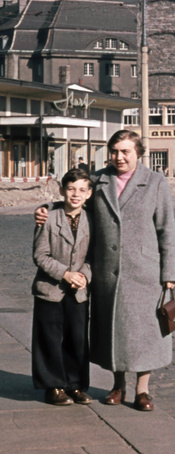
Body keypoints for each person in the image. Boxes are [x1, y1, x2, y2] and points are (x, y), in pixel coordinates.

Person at [35, 131, 175, 412]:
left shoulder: (155, 182)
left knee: (144, 331)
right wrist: (47, 208)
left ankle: (142, 390)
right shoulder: (99, 180)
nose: (119, 157)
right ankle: (117, 386)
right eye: (114, 151)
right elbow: (75, 201)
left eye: (125, 151)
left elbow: (167, 230)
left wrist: (169, 273)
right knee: (113, 328)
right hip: (106, 270)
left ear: (138, 153)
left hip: (144, 270)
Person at [32, 168, 93, 406]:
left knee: (77, 339)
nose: (75, 195)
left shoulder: (92, 219)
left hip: (78, 290)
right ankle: (53, 385)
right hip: (50, 289)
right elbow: (40, 255)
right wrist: (65, 274)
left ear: (89, 194)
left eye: (81, 190)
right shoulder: (49, 217)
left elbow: (94, 256)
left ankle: (75, 385)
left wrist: (84, 276)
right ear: (62, 191)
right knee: (49, 337)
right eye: (70, 189)